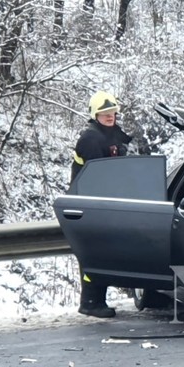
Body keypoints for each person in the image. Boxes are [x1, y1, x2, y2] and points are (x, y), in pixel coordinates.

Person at [70, 90, 133, 318]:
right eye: (104, 113)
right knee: (93, 251)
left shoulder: (111, 134)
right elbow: (100, 173)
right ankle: (90, 301)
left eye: (112, 112)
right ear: (95, 115)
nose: (110, 116)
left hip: (102, 201)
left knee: (102, 251)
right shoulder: (91, 138)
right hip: (88, 203)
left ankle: (96, 300)